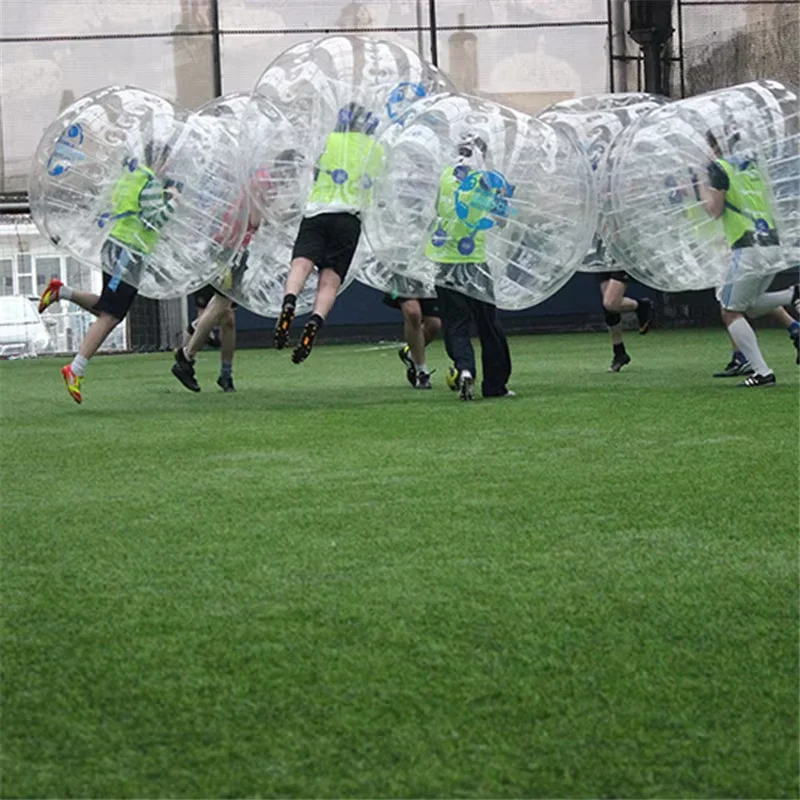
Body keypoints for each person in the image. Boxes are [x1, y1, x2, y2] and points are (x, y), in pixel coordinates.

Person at [38, 142, 177, 403]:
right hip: (128, 252)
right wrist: (172, 203)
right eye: (168, 161)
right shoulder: (150, 183)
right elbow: (153, 220)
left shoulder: (131, 176)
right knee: (111, 315)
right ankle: (75, 369)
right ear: (160, 160)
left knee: (108, 308)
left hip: (117, 247)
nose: (170, 167)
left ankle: (61, 291)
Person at [273, 103, 382, 364]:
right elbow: (375, 184)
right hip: (349, 219)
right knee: (330, 280)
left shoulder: (328, 140)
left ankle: (289, 301)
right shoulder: (375, 150)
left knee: (301, 262)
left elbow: (312, 168)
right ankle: (315, 320)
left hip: (317, 211)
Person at [697, 130, 797, 387]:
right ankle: (792, 295)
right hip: (770, 242)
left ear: (714, 146)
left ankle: (762, 372)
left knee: (730, 312)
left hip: (747, 245)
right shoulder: (751, 166)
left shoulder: (718, 168)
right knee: (749, 306)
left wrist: (700, 185)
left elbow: (715, 211)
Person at [426, 134, 513, 401]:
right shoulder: (488, 180)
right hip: (475, 260)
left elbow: (434, 211)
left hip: (446, 261)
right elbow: (501, 220)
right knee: (489, 324)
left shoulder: (443, 177)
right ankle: (495, 384)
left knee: (456, 324)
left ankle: (464, 369)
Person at [587, 240, 652, 372]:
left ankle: (640, 305)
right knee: (609, 306)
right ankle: (619, 352)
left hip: (621, 250)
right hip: (602, 251)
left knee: (610, 303)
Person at [383, 287, 441, 390]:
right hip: (401, 276)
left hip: (427, 276)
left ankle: (410, 354)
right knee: (413, 313)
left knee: (434, 324)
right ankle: (421, 371)